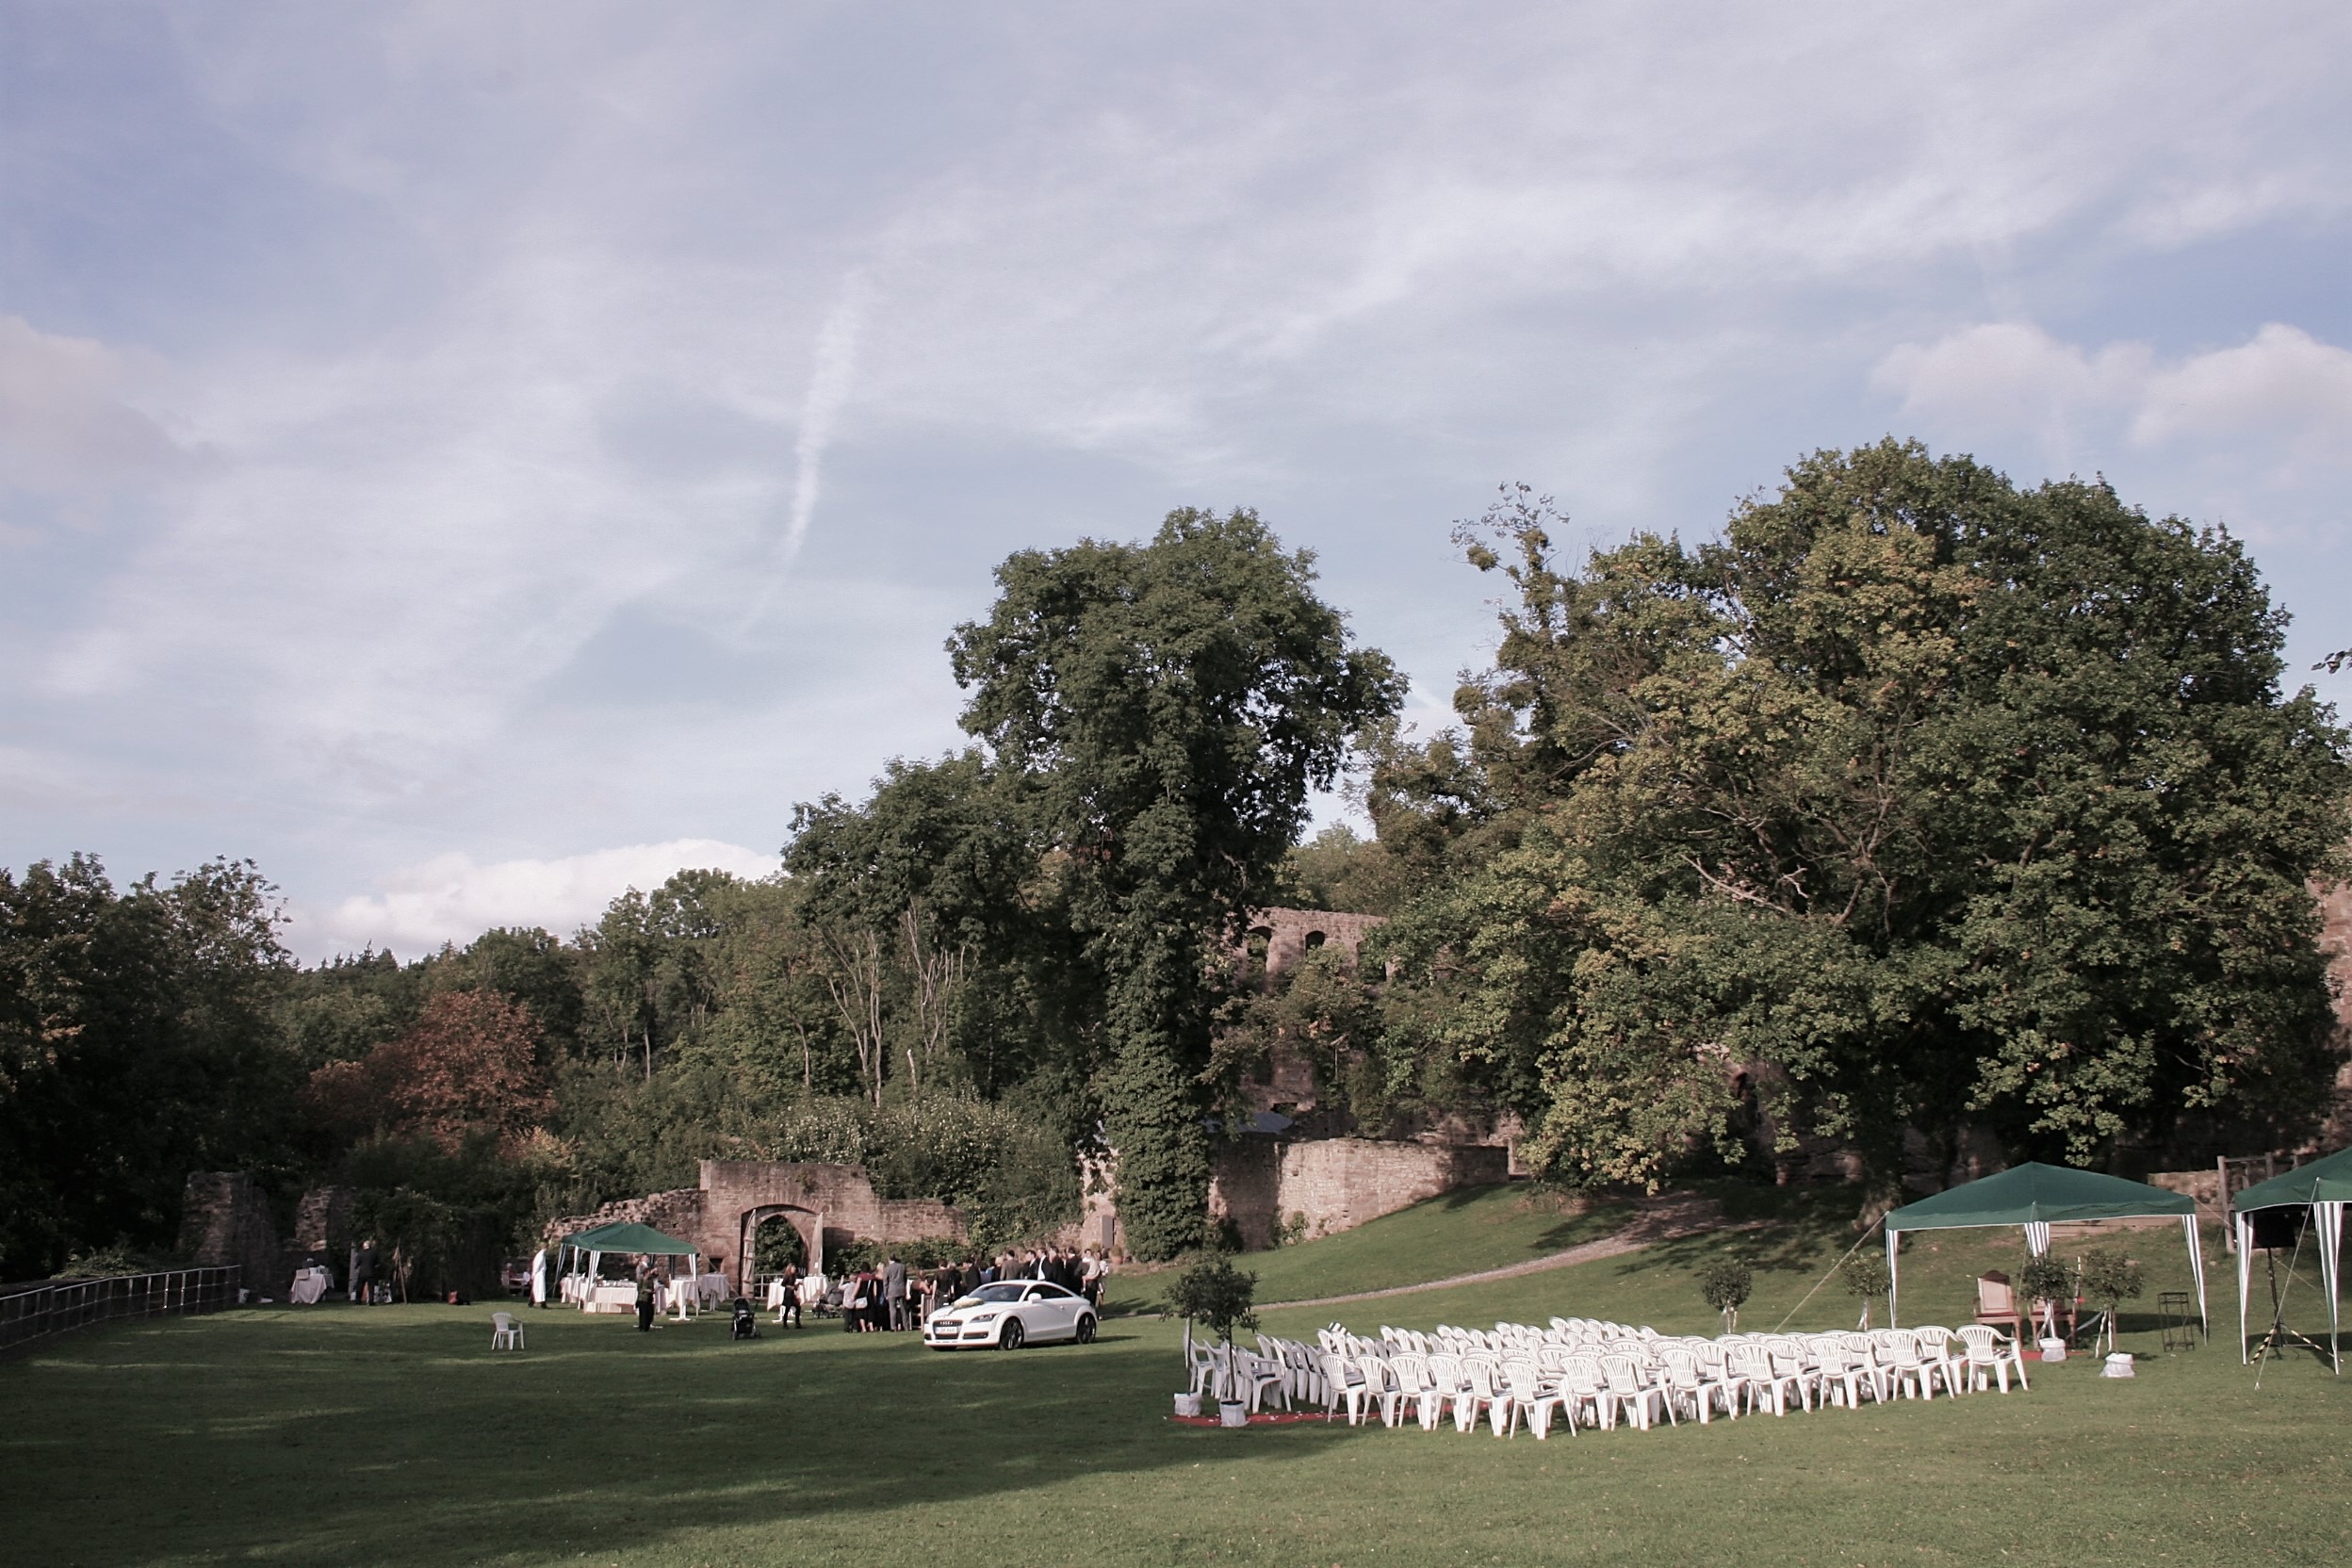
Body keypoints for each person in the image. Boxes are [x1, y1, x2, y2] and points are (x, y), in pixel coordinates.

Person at [351, 1238, 381, 1305]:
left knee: (360, 1287)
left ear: (364, 1246)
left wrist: (358, 1267)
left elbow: (357, 1263)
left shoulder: (361, 1253)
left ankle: (358, 1301)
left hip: (362, 1272)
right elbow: (377, 1263)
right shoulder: (374, 1252)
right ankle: (371, 1301)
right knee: (371, 1288)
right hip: (371, 1272)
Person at [883, 1255, 909, 1331]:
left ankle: (893, 1327)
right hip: (901, 1289)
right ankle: (906, 1326)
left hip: (891, 1290)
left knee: (892, 1309)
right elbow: (905, 1279)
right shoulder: (902, 1267)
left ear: (888, 1259)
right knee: (903, 1309)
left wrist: (885, 1293)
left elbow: (885, 1282)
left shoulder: (887, 1269)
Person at [776, 1261, 803, 1329]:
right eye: (793, 1268)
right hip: (788, 1294)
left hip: (792, 1294)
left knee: (798, 1307)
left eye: (795, 1268)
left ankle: (797, 1323)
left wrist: (798, 1285)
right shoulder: (787, 1275)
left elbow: (794, 1286)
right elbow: (783, 1284)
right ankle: (785, 1324)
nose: (794, 1269)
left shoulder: (793, 1276)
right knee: (787, 1309)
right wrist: (791, 1287)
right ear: (790, 1268)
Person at [634, 1268, 656, 1332]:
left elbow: (652, 1289)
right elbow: (639, 1289)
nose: (650, 1274)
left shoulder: (650, 1280)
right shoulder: (641, 1280)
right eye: (649, 1272)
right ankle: (642, 1327)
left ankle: (647, 1326)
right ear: (646, 1273)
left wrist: (652, 1291)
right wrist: (646, 1290)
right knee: (643, 1313)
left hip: (649, 1299)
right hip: (642, 1299)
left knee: (649, 1313)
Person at [529, 1246, 548, 1310]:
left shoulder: (540, 1255)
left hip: (539, 1274)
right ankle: (542, 1303)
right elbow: (537, 1266)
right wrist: (534, 1274)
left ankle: (532, 1302)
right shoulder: (541, 1256)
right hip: (539, 1275)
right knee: (540, 1289)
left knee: (537, 1289)